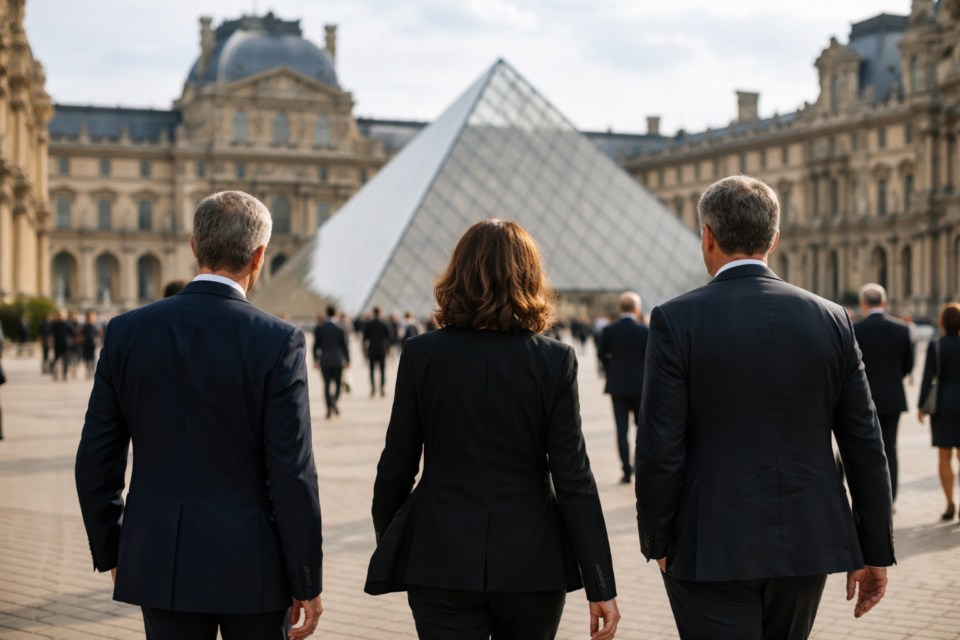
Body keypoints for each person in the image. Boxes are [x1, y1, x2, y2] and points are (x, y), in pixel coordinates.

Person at [637, 176, 894, 640]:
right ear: (774, 239)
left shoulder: (675, 319)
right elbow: (864, 442)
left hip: (707, 542)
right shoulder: (832, 318)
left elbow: (659, 446)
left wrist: (657, 540)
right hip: (807, 540)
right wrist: (875, 546)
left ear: (708, 236)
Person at [75, 191, 323, 640]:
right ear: (259, 256)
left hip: (160, 557)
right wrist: (306, 577)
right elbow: (292, 473)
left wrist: (115, 552)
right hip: (256, 564)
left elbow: (95, 459)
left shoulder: (125, 332)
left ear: (193, 246)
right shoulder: (279, 340)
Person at [366, 219, 620, 640]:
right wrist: (601, 584)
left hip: (439, 553)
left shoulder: (421, 354)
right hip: (532, 561)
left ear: (457, 275)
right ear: (530, 277)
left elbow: (395, 467)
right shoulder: (555, 360)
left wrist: (393, 539)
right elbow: (573, 479)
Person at [853, 283, 914, 503]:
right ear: (884, 302)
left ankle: (869, 496)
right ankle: (891, 497)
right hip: (892, 398)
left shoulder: (855, 329)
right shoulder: (902, 328)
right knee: (890, 447)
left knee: (863, 448)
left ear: (863, 303)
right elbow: (908, 365)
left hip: (861, 398)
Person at [599, 292, 649, 484]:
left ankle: (626, 470)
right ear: (636, 309)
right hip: (640, 385)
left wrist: (610, 370)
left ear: (621, 309)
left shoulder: (609, 330)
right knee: (641, 428)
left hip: (617, 385)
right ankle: (638, 465)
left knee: (621, 430)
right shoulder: (645, 330)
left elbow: (602, 354)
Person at [918, 302, 960, 521]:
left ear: (941, 321)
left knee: (945, 455)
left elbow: (927, 378)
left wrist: (921, 406)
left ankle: (950, 503)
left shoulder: (936, 346)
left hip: (943, 402)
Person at [314, 306, 350, 419]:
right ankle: (334, 401)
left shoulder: (320, 328)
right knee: (339, 384)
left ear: (326, 314)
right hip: (337, 360)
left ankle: (329, 408)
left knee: (326, 385)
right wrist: (348, 360)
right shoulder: (340, 329)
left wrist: (315, 359)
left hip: (324, 361)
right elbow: (344, 346)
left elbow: (315, 346)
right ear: (336, 314)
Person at [363, 307, 390, 397]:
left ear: (373, 313)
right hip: (382, 348)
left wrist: (364, 350)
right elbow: (388, 338)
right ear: (380, 312)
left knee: (371, 370)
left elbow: (365, 338)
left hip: (372, 349)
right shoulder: (384, 323)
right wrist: (388, 349)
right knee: (382, 370)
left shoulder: (369, 324)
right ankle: (382, 389)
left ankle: (373, 389)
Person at [50, 310, 75, 382]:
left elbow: (72, 333)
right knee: (56, 359)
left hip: (65, 344)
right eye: (59, 315)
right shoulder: (54, 324)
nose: (60, 316)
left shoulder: (67, 324)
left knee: (65, 360)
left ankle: (64, 374)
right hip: (57, 343)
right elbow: (51, 333)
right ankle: (55, 374)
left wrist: (69, 340)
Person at [81, 311, 100, 379]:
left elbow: (97, 334)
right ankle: (87, 371)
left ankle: (91, 371)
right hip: (86, 343)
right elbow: (82, 334)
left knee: (92, 358)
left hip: (92, 343)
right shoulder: (85, 326)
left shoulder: (94, 325)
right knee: (87, 358)